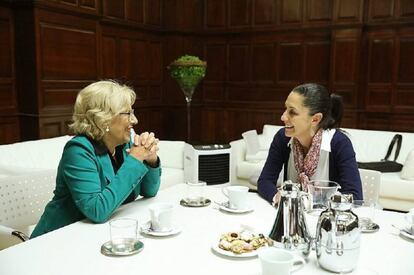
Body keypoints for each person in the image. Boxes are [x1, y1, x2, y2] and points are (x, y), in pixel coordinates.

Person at [31, 80, 161, 238]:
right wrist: (135, 159)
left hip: (96, 236)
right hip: (56, 240)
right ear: (104, 119)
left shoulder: (124, 143)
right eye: (128, 113)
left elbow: (150, 191)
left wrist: (150, 159)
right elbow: (97, 211)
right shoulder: (79, 151)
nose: (135, 120)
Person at [257, 83, 362, 205]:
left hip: (325, 218)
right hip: (292, 217)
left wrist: (308, 202)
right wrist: (277, 196)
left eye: (293, 112)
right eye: (285, 109)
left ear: (315, 119)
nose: (283, 117)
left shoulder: (339, 143)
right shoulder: (283, 138)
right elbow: (265, 181)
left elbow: (355, 197)